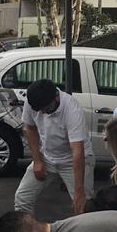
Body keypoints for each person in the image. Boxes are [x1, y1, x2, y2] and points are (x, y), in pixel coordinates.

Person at [14, 79, 93, 216]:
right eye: (41, 110)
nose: (44, 113)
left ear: (56, 96)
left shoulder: (72, 109)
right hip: (47, 157)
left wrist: (79, 191)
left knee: (83, 205)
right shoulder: (33, 101)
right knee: (22, 198)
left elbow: (77, 151)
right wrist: (37, 160)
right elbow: (29, 128)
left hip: (74, 160)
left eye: (47, 109)